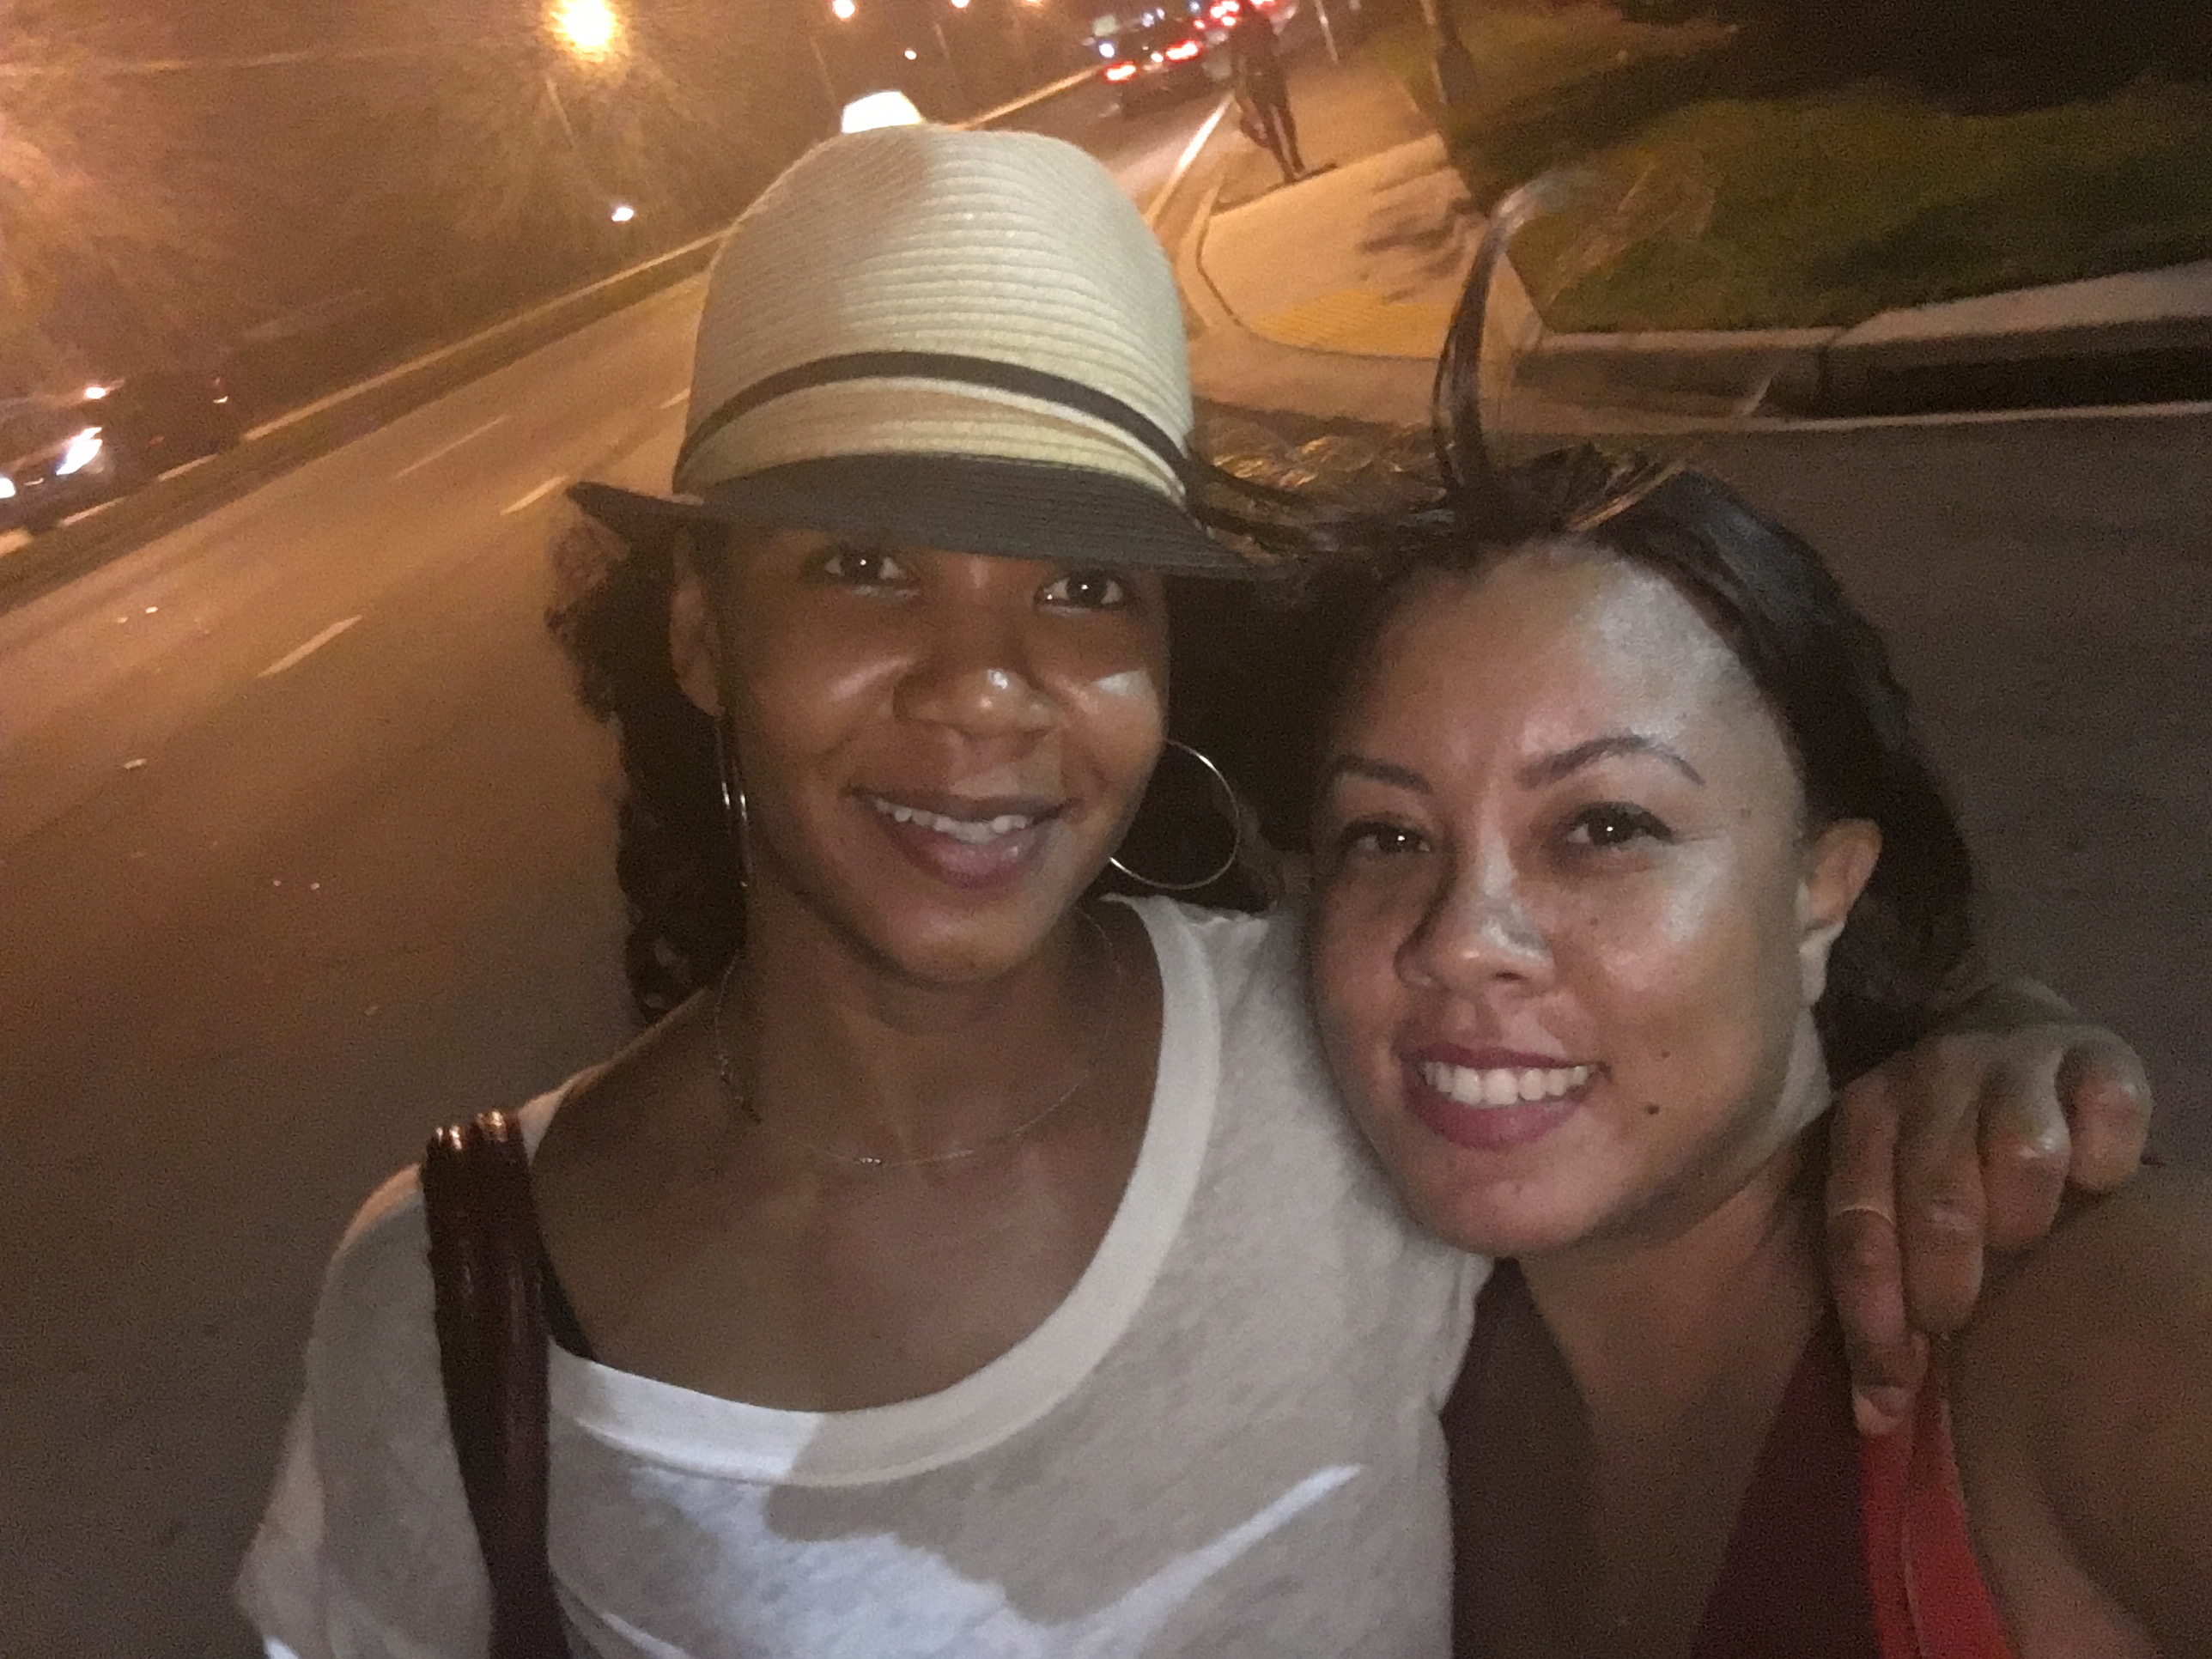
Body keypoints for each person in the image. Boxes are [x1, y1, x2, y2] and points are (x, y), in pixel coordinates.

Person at [235, 126, 2150, 1659]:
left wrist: (1965, 1043)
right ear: (702, 631)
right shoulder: (455, 1297)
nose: (985, 688)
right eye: (864, 565)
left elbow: (1682, 1089)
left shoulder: (1340, 1050)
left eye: (1084, 589)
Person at [1296, 434, 2211, 1650]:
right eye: (1387, 837)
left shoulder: (2093, 1338)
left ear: (1820, 892)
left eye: (1605, 826)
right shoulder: (1396, 1349)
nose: (1462, 941)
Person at [1225, 3, 1304, 185]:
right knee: (1285, 115)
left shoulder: (1235, 30)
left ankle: (1285, 168)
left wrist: (1238, 89)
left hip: (1254, 77)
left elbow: (1234, 62)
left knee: (1268, 124)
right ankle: (1295, 154)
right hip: (1271, 71)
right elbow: (1274, 42)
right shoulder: (1262, 20)